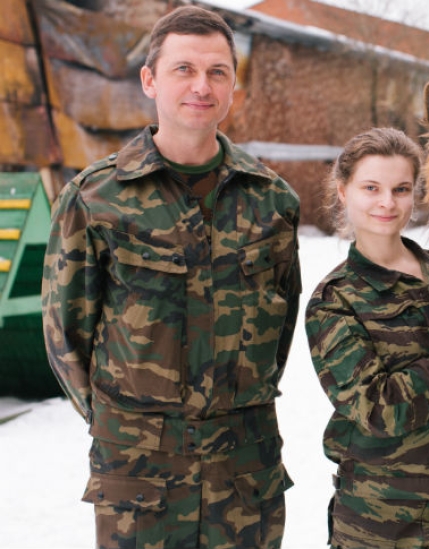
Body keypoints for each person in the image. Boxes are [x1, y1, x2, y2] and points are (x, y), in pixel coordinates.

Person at [41, 6, 301, 548]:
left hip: (244, 476)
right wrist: (128, 425)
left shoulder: (272, 201)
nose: (201, 86)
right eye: (184, 69)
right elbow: (67, 337)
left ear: (233, 86)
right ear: (150, 80)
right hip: (140, 481)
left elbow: (280, 331)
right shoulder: (95, 199)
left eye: (217, 72)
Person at [304, 127, 429, 549]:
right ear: (343, 192)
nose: (387, 202)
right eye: (371, 188)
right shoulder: (335, 301)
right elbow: (378, 409)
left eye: (400, 189)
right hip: (382, 529)